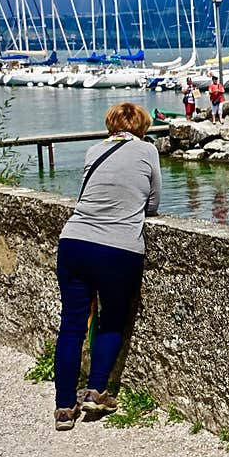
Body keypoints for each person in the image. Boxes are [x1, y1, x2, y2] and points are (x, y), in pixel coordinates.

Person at [52, 102, 161, 431]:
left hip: (73, 242)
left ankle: (63, 408)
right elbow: (153, 203)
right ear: (141, 126)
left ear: (110, 125)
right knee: (112, 321)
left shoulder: (93, 151)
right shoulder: (147, 151)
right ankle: (96, 391)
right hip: (117, 248)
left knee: (72, 326)